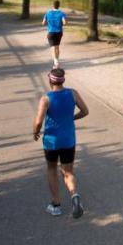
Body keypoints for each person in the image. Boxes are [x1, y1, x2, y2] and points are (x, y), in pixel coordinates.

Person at [31, 67, 88, 218]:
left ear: (50, 80)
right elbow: (85, 111)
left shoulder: (46, 98)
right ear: (63, 80)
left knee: (51, 169)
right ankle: (74, 196)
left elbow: (38, 122)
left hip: (51, 141)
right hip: (69, 139)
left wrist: (35, 133)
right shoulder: (73, 93)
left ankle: (56, 205)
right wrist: (71, 118)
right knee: (68, 172)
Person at [43, 0, 68, 67]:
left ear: (52, 5)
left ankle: (55, 61)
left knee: (53, 47)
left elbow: (43, 23)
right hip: (59, 32)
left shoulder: (48, 13)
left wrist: (49, 23)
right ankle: (57, 61)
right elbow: (65, 23)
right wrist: (61, 23)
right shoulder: (61, 13)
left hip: (51, 32)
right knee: (57, 46)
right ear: (59, 6)